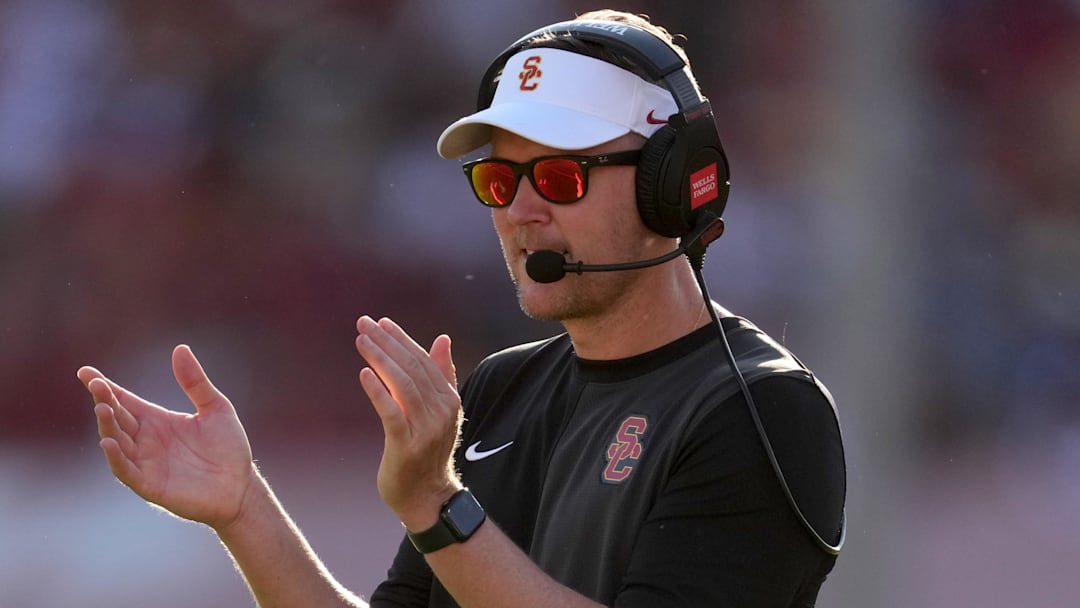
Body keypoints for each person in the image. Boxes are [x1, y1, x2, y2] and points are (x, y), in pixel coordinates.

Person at [78, 9, 845, 608]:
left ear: (669, 182)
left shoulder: (763, 410)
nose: (522, 212)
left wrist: (438, 505)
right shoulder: (499, 390)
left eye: (561, 178)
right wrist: (244, 510)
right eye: (500, 184)